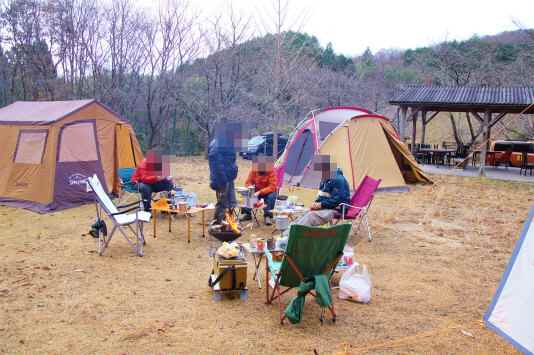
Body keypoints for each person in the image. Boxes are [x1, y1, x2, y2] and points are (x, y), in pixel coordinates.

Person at [282, 155, 350, 238]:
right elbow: (322, 196)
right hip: (327, 207)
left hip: (336, 209)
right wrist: (316, 204)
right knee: (304, 212)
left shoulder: (338, 179)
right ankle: (287, 234)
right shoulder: (326, 178)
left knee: (310, 216)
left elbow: (339, 200)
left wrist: (321, 205)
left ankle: (292, 236)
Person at [208, 123, 244, 225]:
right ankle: (218, 225)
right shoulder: (218, 144)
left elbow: (230, 160)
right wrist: (222, 178)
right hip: (221, 179)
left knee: (231, 202)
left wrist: (234, 169)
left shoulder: (227, 142)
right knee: (223, 203)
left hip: (228, 177)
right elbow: (216, 163)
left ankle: (229, 223)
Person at [241, 155, 277, 225]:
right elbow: (248, 182)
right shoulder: (254, 170)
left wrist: (260, 192)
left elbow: (272, 186)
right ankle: (247, 213)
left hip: (268, 193)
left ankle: (268, 216)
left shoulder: (272, 171)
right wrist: (251, 188)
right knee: (248, 192)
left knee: (272, 196)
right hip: (256, 191)